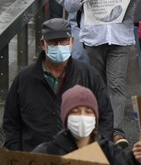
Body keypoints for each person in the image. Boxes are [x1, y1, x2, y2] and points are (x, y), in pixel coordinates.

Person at [64, 0, 140, 148]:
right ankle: (98, 129)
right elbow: (69, 5)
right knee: (97, 86)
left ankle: (115, 132)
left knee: (116, 85)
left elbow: (138, 0)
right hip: (94, 39)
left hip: (120, 38)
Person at [3, 18, 113, 152]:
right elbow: (11, 122)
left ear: (72, 41)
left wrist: (97, 151)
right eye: (53, 43)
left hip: (78, 161)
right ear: (43, 44)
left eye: (64, 41)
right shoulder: (24, 79)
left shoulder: (88, 76)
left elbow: (105, 117)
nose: (59, 46)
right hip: (35, 162)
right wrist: (19, 156)